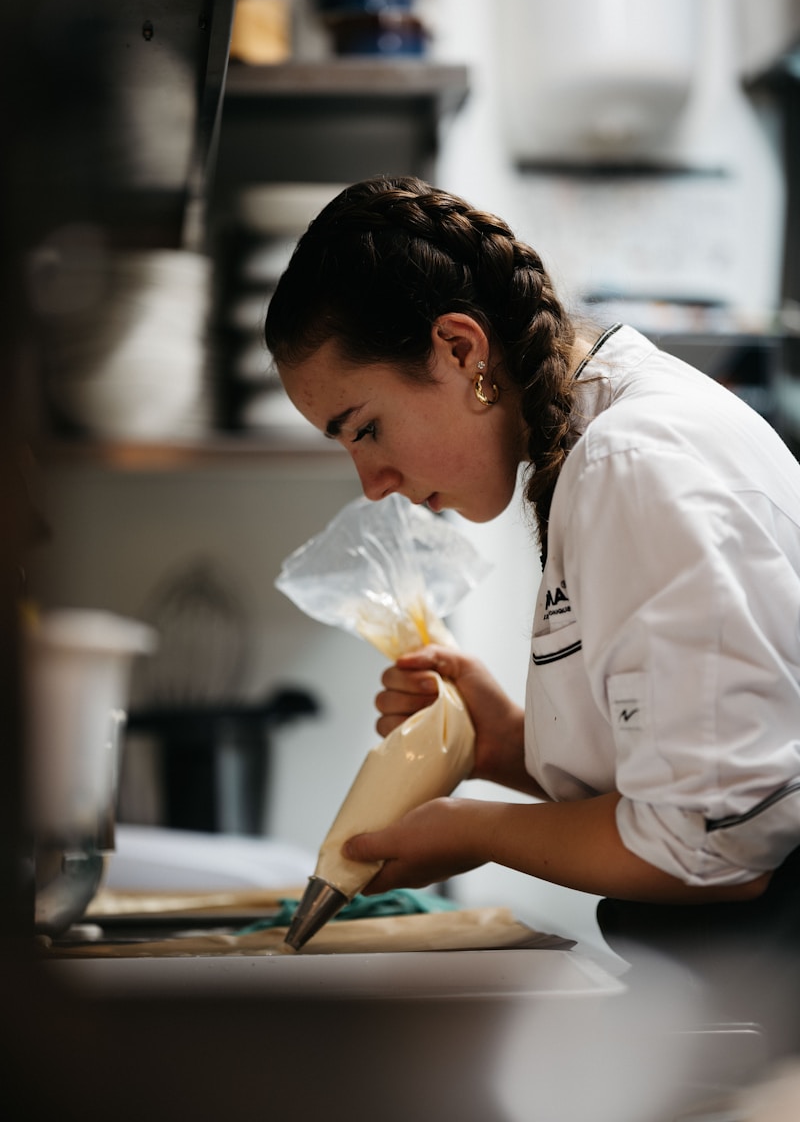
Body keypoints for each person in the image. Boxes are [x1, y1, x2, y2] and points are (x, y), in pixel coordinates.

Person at [264, 174, 800, 1024]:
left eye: (365, 427)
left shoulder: (638, 462)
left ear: (460, 348)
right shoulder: (592, 452)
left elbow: (716, 847)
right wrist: (498, 743)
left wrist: (472, 830)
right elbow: (680, 780)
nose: (371, 484)